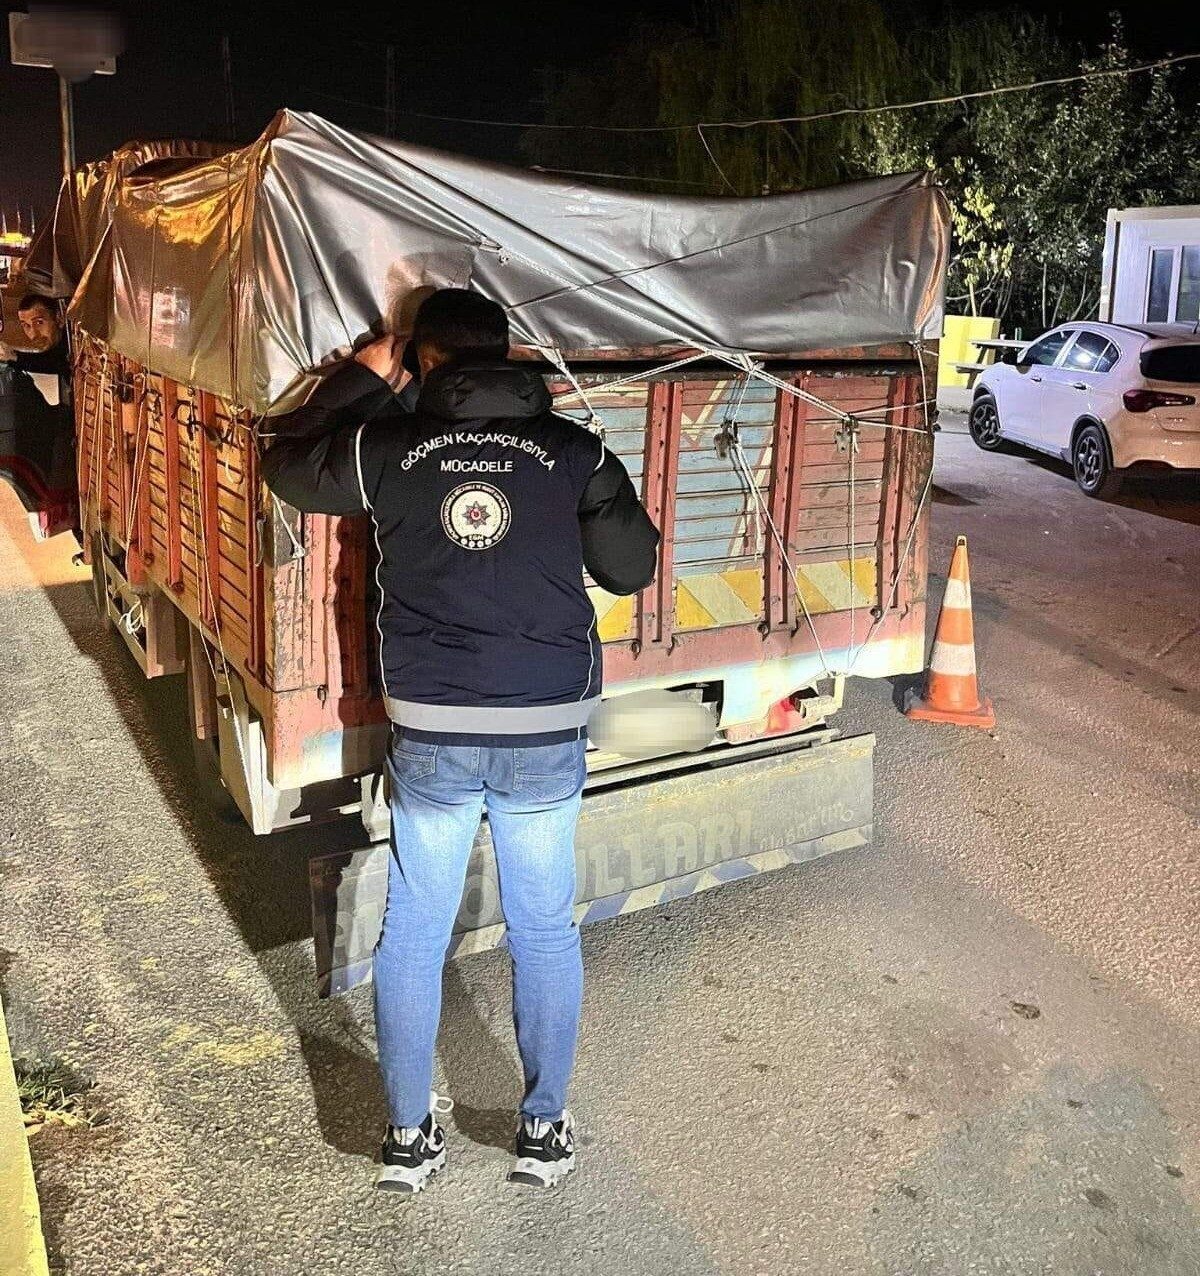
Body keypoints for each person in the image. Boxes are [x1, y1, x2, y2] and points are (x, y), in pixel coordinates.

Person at [261, 288, 659, 1193]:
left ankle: (407, 1139)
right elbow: (630, 569)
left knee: (414, 929)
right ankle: (543, 1130)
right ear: (507, 355)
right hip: (543, 724)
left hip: (433, 727)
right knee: (543, 929)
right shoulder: (575, 451)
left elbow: (283, 465)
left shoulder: (384, 447)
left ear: (423, 362)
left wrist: (361, 382)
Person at [0, 294, 71, 384]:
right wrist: (12, 356)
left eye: (39, 322)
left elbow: (56, 362)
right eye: (26, 325)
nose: (34, 334)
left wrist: (14, 356)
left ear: (59, 319)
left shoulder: (73, 340)